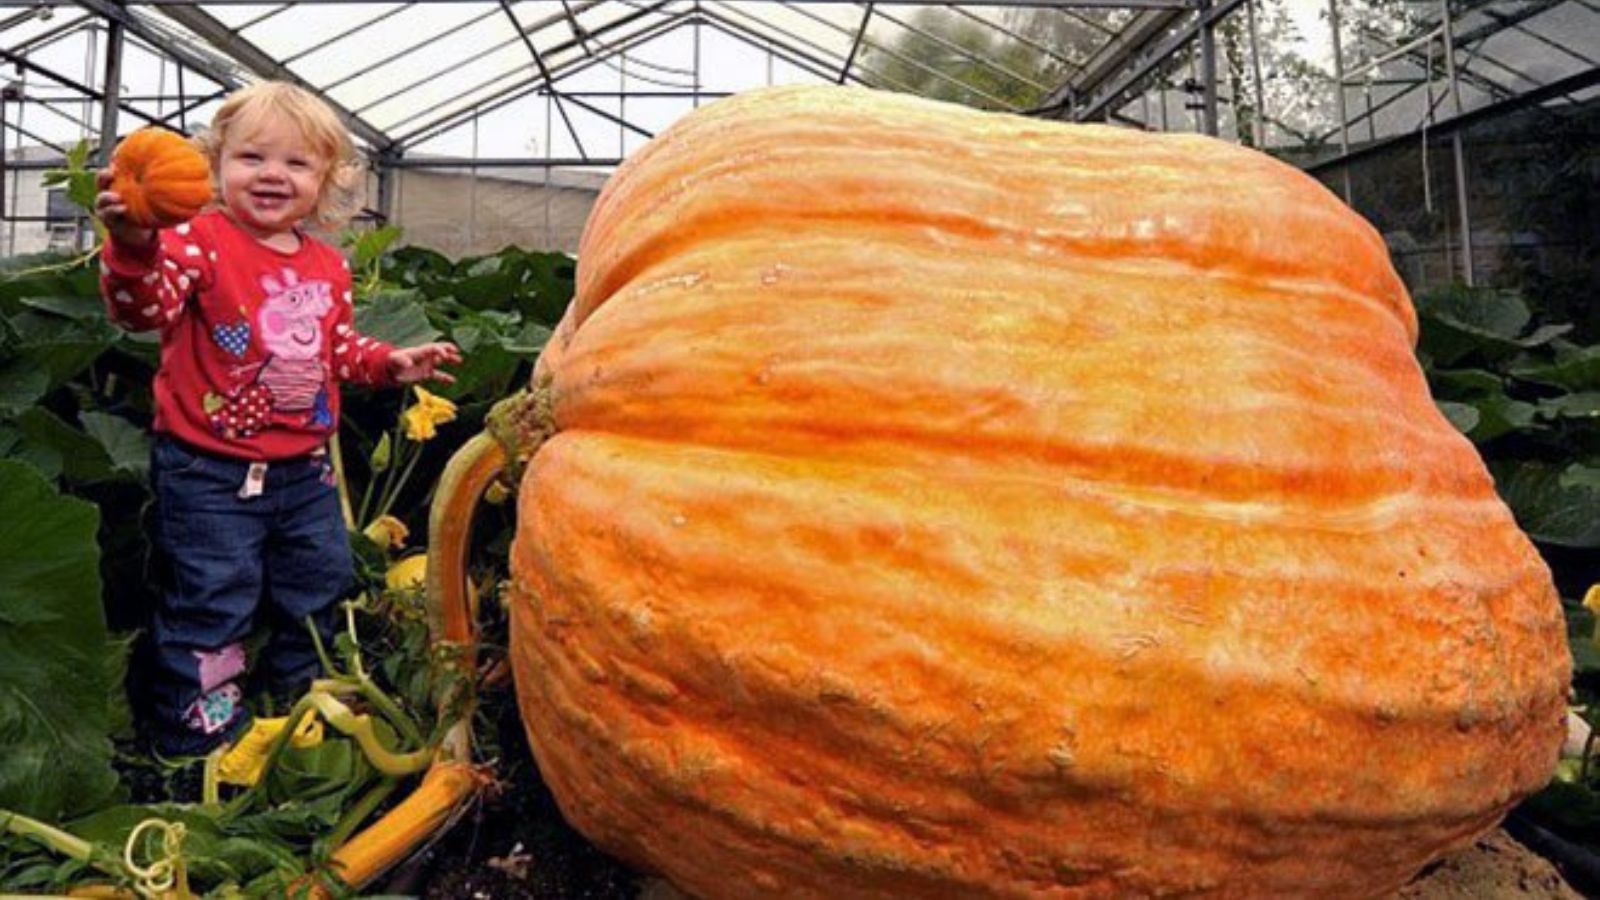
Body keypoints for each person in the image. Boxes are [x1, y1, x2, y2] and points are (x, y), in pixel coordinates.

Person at [94, 81, 461, 758]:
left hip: (305, 473)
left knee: (320, 585)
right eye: (251, 157)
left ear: (325, 182)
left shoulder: (327, 265)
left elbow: (335, 348)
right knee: (212, 598)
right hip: (208, 471)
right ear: (216, 166)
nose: (272, 174)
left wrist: (389, 362)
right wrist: (133, 242)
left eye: (296, 163)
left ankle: (301, 698)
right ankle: (196, 735)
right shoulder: (198, 241)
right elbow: (141, 311)